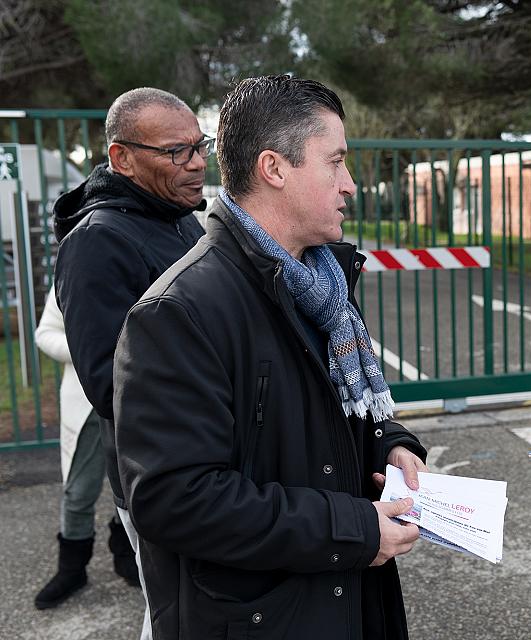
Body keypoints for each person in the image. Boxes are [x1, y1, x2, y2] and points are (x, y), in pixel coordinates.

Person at [113, 74, 427, 640]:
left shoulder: (322, 283)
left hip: (347, 597)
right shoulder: (178, 312)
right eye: (336, 162)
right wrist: (354, 529)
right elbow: (176, 500)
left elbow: (328, 415)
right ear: (274, 168)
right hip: (263, 617)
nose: (350, 184)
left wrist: (390, 441)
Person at [53, 87, 210, 632]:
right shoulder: (97, 241)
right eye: (175, 152)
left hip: (206, 467)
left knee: (182, 613)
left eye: (199, 145)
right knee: (178, 617)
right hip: (164, 478)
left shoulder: (179, 217)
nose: (195, 163)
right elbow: (110, 382)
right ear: (122, 158)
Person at [32, 286, 139, 610]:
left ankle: (126, 553)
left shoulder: (138, 259)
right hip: (87, 402)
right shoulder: (73, 270)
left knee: (135, 485)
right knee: (79, 490)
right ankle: (72, 568)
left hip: (138, 397)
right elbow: (44, 334)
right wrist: (86, 348)